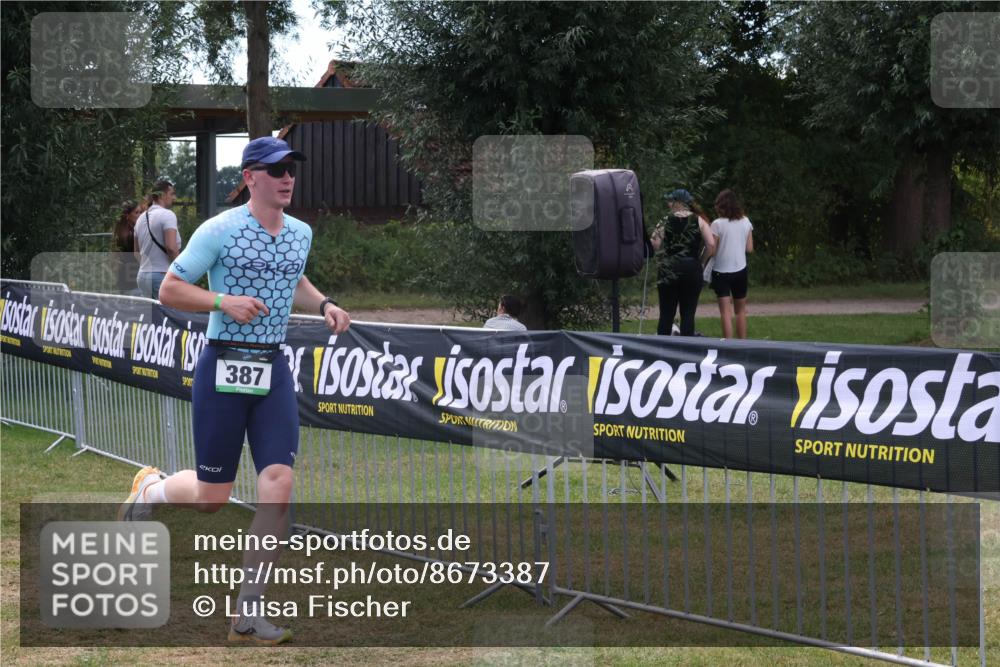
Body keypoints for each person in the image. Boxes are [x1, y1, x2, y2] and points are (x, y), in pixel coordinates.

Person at [118, 136, 351, 645]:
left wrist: (325, 303)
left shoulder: (300, 233)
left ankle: (249, 610)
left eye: (292, 168)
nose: (287, 177)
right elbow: (170, 289)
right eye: (276, 170)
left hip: (272, 370)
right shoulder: (220, 230)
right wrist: (224, 301)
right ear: (250, 177)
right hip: (223, 366)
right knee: (210, 499)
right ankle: (152, 488)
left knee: (278, 482)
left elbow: (294, 276)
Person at [650, 189, 715, 336]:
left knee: (666, 314)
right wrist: (701, 261)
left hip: (669, 268)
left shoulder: (666, 220)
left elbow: (654, 243)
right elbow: (711, 245)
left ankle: (661, 348)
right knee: (688, 313)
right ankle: (686, 352)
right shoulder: (699, 221)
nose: (668, 204)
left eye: (671, 201)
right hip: (691, 268)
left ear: (678, 203)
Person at [710, 189, 754, 339]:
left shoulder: (717, 224)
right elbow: (749, 248)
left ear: (721, 206)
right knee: (740, 310)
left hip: (721, 272)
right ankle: (742, 344)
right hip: (740, 271)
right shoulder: (746, 221)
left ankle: (728, 347)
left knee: (725, 312)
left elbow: (712, 250)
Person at [135, 179, 181, 299]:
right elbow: (171, 247)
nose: (174, 197)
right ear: (162, 195)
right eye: (171, 194)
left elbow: (136, 252)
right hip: (161, 274)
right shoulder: (167, 215)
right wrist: (181, 272)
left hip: (142, 276)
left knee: (151, 316)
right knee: (170, 315)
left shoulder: (140, 218)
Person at [111, 200, 142, 294]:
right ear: (128, 215)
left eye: (141, 212)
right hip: (133, 275)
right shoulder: (131, 234)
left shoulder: (119, 231)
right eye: (136, 212)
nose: (140, 215)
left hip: (124, 275)